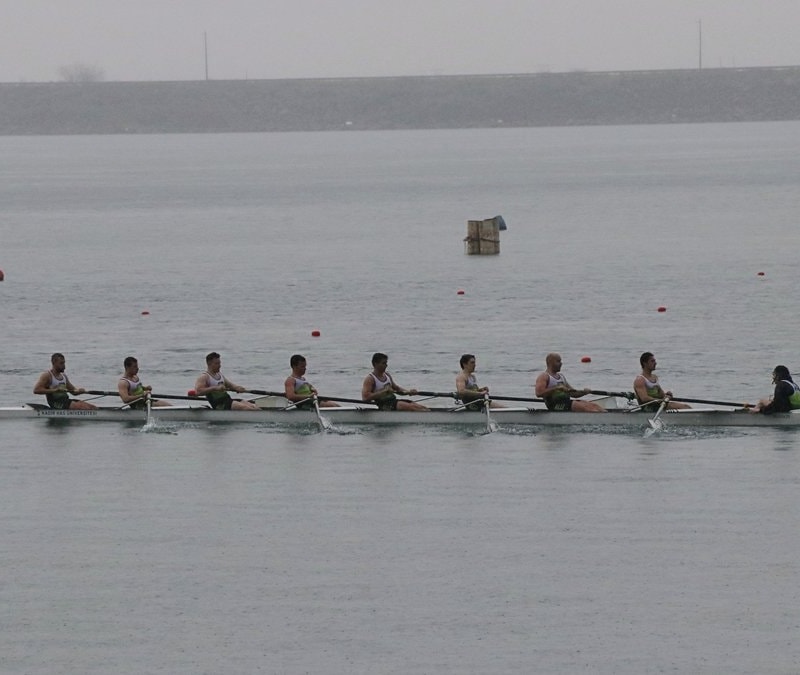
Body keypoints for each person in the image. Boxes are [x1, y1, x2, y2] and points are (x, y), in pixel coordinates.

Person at [534, 352, 606, 412]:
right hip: (555, 405)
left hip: (566, 403)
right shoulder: (544, 376)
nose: (561, 363)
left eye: (561, 361)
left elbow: (573, 393)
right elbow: (539, 393)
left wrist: (584, 392)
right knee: (588, 409)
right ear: (550, 362)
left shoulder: (561, 376)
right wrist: (556, 388)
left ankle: (606, 416)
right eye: (558, 361)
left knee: (594, 406)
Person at [362, 352, 429, 411]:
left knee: (421, 407)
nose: (386, 365)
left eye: (386, 363)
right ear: (375, 364)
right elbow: (365, 398)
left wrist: (409, 392)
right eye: (383, 363)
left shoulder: (387, 375)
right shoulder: (370, 379)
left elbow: (397, 389)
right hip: (384, 405)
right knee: (412, 407)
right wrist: (384, 392)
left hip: (393, 402)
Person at [194, 352, 259, 410]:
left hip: (227, 400)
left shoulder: (219, 375)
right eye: (217, 363)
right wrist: (215, 388)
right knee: (245, 408)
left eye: (220, 363)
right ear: (209, 364)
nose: (220, 365)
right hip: (219, 405)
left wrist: (238, 388)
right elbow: (198, 392)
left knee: (253, 406)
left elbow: (231, 385)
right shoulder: (204, 377)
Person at [33, 353, 97, 410]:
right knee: (82, 407)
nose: (64, 366)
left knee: (93, 408)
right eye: (61, 363)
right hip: (56, 403)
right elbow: (36, 390)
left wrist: (80, 391)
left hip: (66, 401)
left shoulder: (63, 376)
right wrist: (55, 390)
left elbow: (73, 391)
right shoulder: (47, 375)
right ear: (54, 363)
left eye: (64, 363)